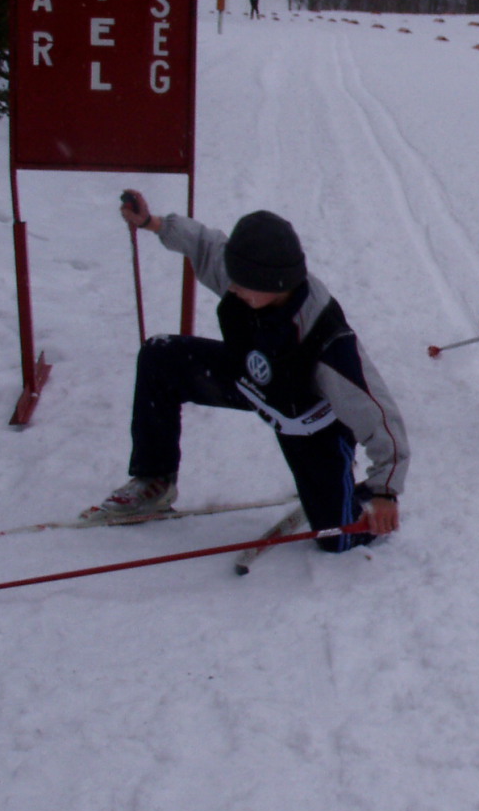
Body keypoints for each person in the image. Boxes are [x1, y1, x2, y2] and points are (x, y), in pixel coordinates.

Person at [86, 196, 408, 550]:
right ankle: (154, 480)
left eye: (241, 283)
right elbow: (207, 245)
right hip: (252, 383)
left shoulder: (328, 341)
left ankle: (353, 502)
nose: (231, 287)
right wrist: (152, 222)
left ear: (276, 283)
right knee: (160, 356)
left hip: (306, 422)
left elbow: (380, 416)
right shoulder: (252, 278)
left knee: (334, 538)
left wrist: (385, 491)